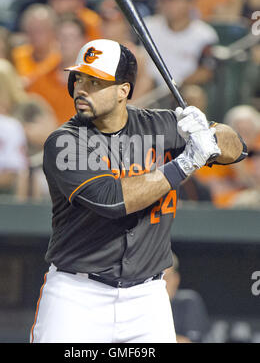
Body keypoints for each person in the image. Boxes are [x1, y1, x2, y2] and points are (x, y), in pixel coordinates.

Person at [30, 38, 246, 343]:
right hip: (77, 295)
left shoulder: (163, 126)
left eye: (95, 82)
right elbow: (112, 200)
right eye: (79, 78)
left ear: (123, 91)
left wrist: (210, 132)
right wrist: (186, 162)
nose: (82, 88)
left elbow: (238, 149)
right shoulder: (65, 142)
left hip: (148, 297)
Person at [144, 0, 219, 89]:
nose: (166, 4)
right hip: (150, 88)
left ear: (189, 3)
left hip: (183, 89)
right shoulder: (148, 26)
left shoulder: (204, 34)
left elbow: (206, 70)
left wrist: (180, 85)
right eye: (163, 0)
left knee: (194, 94)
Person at [164, 253, 210, 342]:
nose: (162, 283)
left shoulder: (187, 302)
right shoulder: (141, 305)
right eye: (155, 279)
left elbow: (188, 341)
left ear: (176, 279)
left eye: (166, 278)